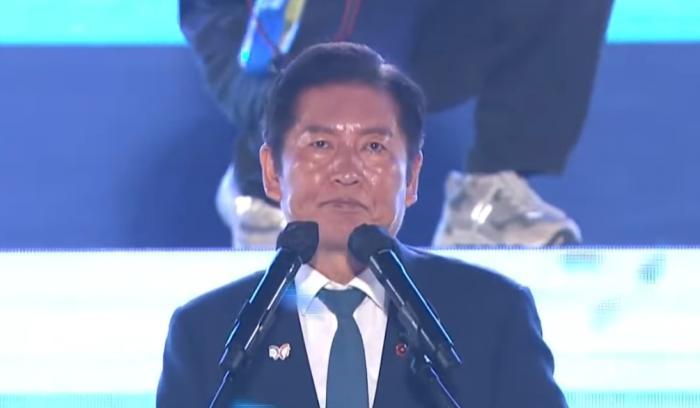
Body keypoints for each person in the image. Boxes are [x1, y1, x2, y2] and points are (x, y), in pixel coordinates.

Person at [157, 42, 567, 407]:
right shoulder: (206, 334)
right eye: (321, 145)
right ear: (271, 171)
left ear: (412, 177)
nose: (347, 171)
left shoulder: (493, 314)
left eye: (373, 147)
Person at [180, 0, 612, 249]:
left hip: (416, 24)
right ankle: (268, 194)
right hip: (252, 29)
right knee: (330, 82)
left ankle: (488, 201)